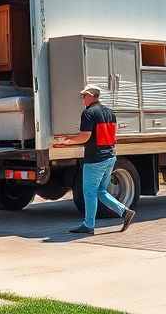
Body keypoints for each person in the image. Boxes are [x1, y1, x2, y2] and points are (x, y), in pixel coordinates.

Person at [59, 85, 136, 235]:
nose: (82, 99)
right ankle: (125, 212)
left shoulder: (88, 113)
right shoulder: (110, 112)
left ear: (92, 96)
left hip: (95, 159)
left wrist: (66, 141)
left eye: (84, 96)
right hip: (110, 157)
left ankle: (88, 225)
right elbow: (114, 135)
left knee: (89, 192)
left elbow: (85, 136)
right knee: (100, 190)